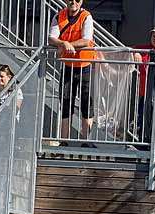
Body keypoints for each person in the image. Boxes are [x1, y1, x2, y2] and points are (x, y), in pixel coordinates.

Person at [49, 0, 97, 142]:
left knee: (86, 102)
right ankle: (64, 141)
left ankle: (86, 141)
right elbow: (51, 38)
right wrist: (63, 43)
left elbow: (86, 40)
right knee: (65, 101)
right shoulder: (58, 16)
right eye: (71, 0)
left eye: (77, 0)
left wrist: (67, 45)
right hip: (68, 65)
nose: (73, 2)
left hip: (85, 65)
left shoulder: (86, 16)